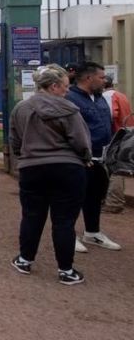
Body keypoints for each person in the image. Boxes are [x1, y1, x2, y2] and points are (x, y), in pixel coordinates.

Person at [9, 64, 91, 286]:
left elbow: (15, 141)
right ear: (54, 86)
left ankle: (25, 260)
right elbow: (81, 141)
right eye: (65, 86)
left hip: (32, 168)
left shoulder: (21, 109)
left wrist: (25, 156)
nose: (67, 90)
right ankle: (66, 270)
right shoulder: (69, 109)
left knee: (32, 216)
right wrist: (85, 159)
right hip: (67, 169)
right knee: (64, 221)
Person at [65, 62, 121, 251]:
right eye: (101, 77)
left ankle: (92, 233)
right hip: (80, 157)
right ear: (89, 78)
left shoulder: (99, 98)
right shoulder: (70, 98)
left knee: (95, 196)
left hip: (101, 156)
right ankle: (67, 234)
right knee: (74, 196)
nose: (104, 80)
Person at [102, 75, 132, 213]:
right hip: (126, 134)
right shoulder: (121, 95)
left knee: (114, 168)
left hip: (115, 136)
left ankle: (113, 202)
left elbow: (111, 115)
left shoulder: (108, 96)